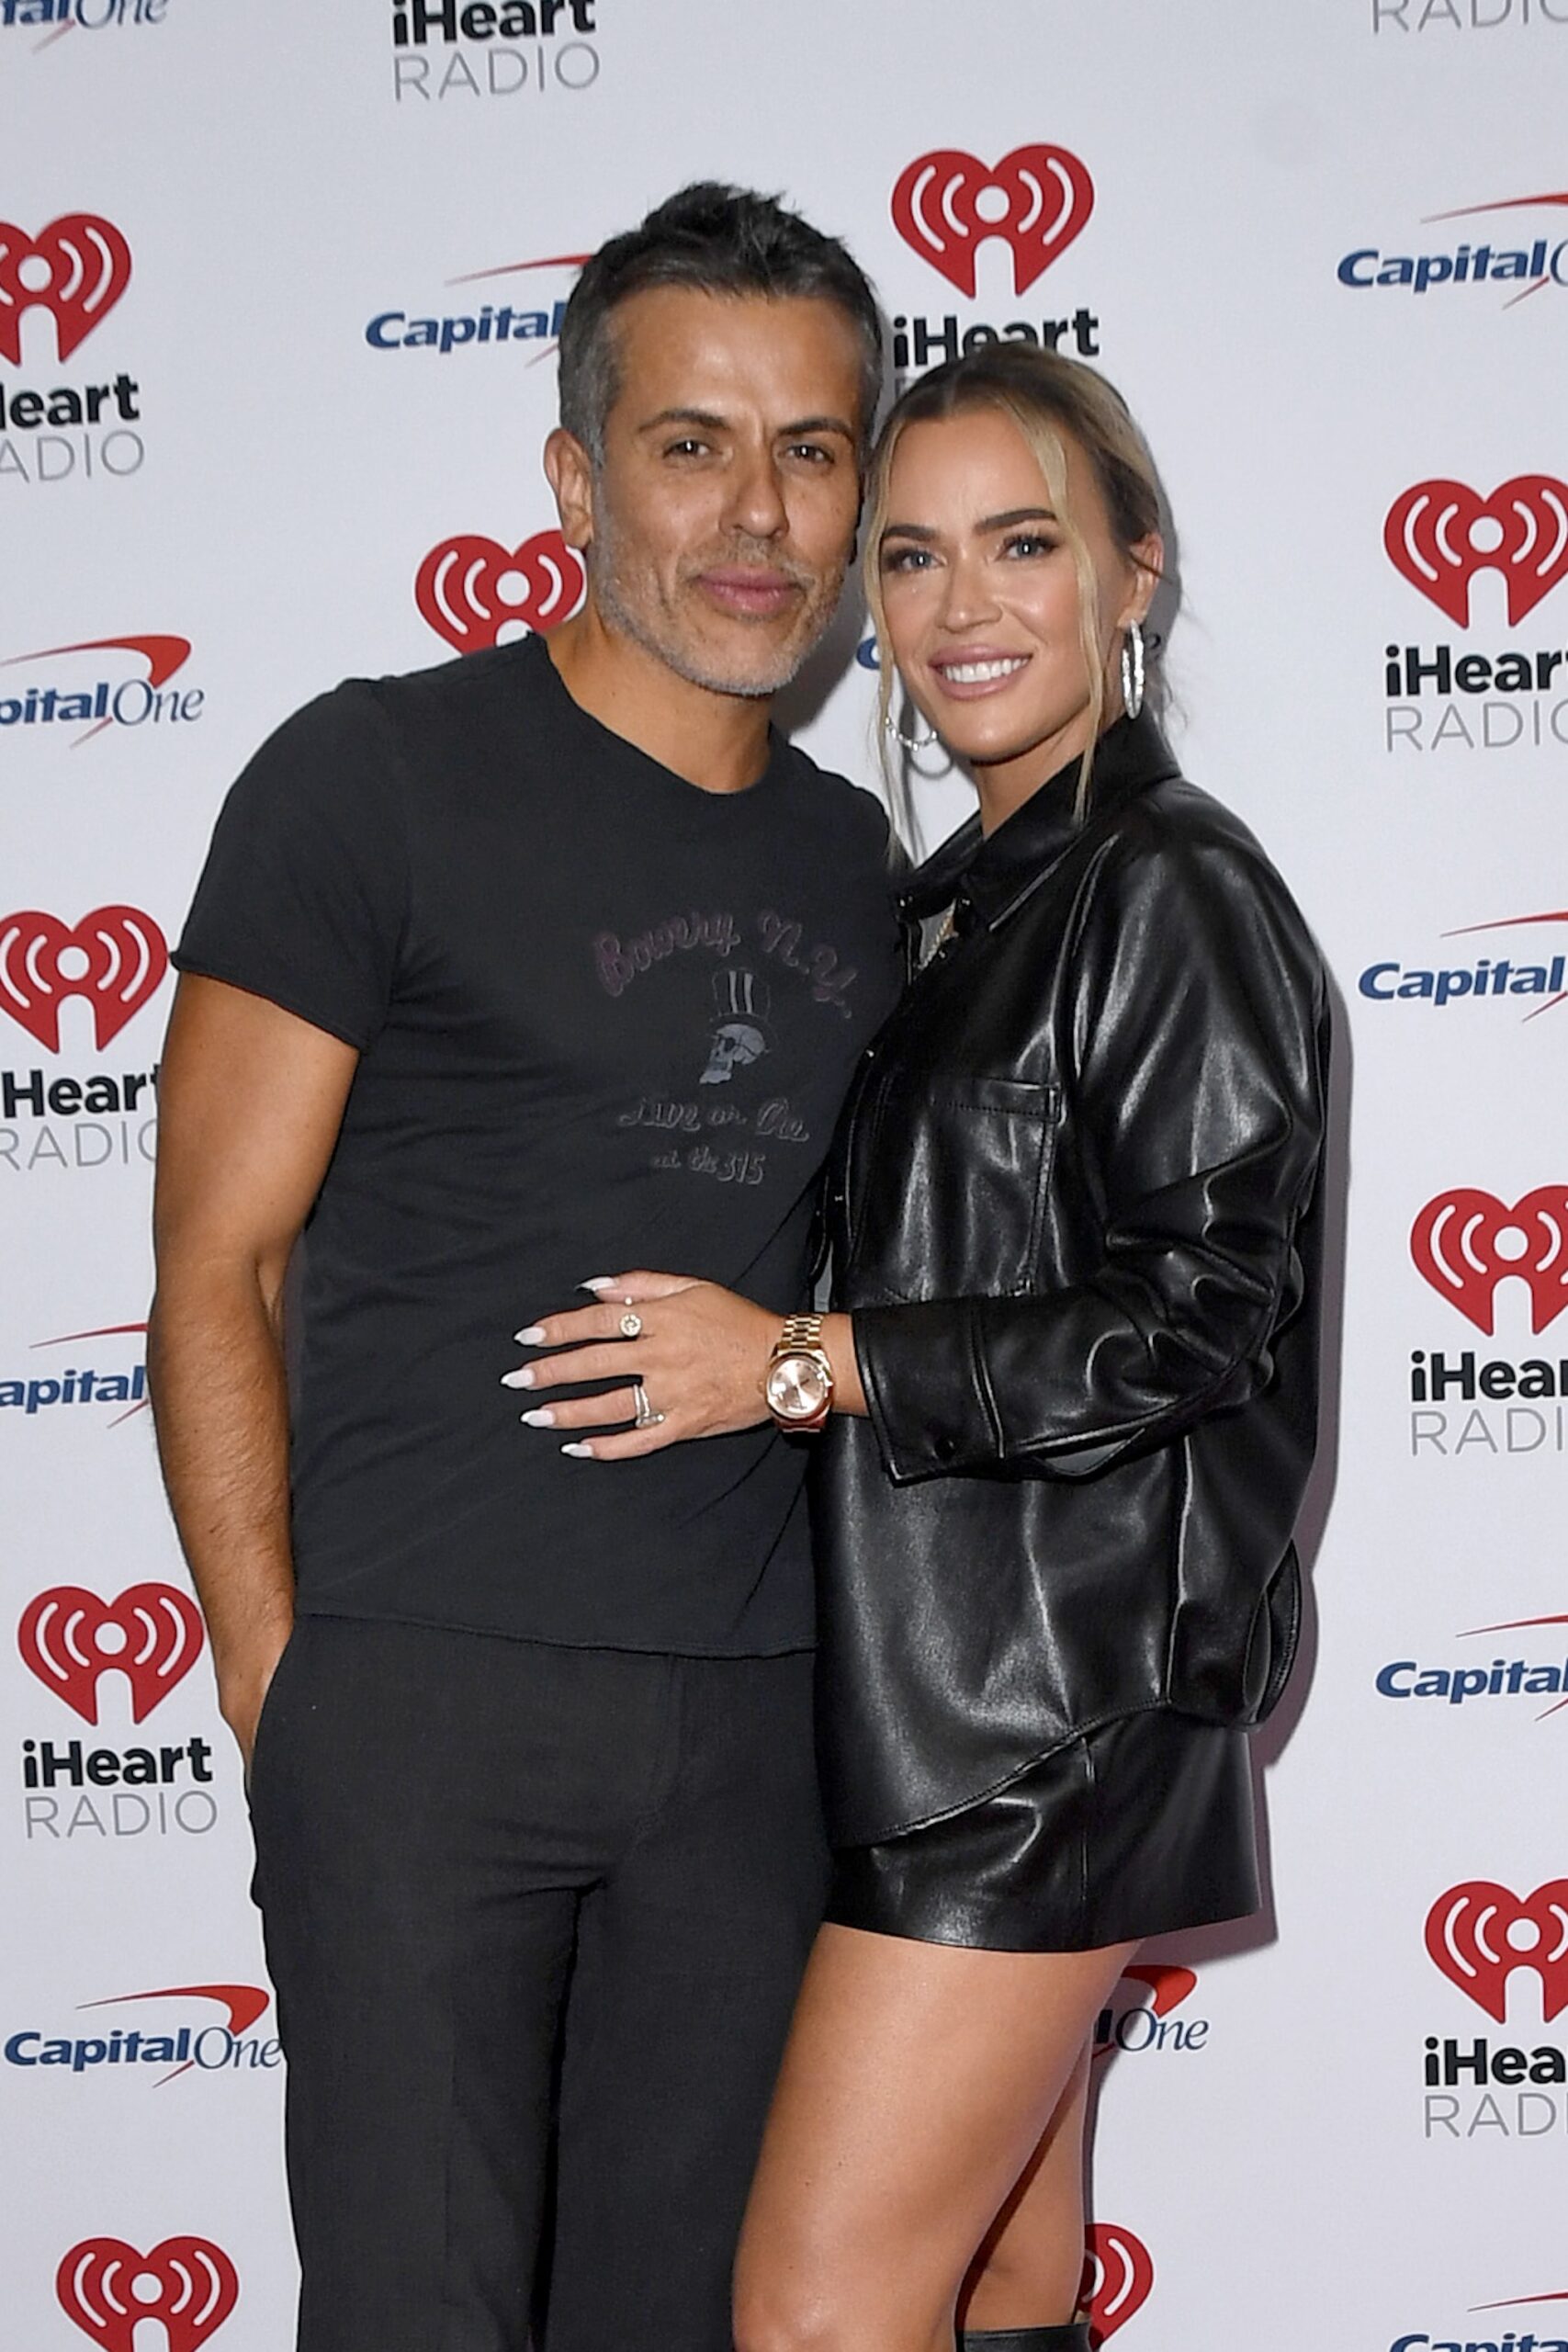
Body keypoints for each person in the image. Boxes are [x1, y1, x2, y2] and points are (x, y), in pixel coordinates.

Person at [147, 183, 901, 2352]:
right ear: (575, 479)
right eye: (690, 444)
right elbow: (216, 1260)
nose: (756, 513)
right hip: (419, 1707)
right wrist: (286, 1685)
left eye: (812, 447)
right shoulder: (368, 778)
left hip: (757, 1730)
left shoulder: (857, 864)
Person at [515, 344, 1328, 2352]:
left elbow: (1204, 1310)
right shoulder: (973, 899)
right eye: (911, 555)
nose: (962, 607)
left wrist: (803, 1360)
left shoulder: (1167, 886)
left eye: (1021, 543)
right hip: (961, 1693)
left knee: (815, 2304)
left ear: (1130, 571)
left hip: (1040, 1716)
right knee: (988, 2279)